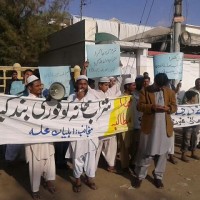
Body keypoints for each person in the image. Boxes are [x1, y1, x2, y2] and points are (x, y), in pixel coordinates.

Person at [133, 73, 177, 189]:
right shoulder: (145, 91)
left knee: (163, 154)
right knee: (147, 153)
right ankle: (140, 176)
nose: (161, 88)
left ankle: (158, 176)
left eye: (163, 86)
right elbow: (140, 106)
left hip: (165, 128)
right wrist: (152, 107)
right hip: (150, 128)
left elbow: (174, 107)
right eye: (159, 85)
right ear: (155, 82)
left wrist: (169, 109)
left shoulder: (170, 92)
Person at [82, 61, 122, 173]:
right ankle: (91, 170)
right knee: (96, 149)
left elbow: (118, 82)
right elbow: (84, 83)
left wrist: (118, 67)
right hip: (98, 127)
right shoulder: (94, 93)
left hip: (110, 125)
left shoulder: (111, 92)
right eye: (105, 84)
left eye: (108, 84)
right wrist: (84, 69)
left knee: (111, 147)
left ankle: (111, 165)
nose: (108, 86)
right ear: (100, 85)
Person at [65, 75, 98, 193]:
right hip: (77, 134)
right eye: (80, 84)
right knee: (77, 158)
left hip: (90, 133)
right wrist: (78, 100)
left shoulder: (93, 97)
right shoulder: (71, 97)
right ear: (76, 85)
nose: (82, 86)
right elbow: (68, 113)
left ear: (87, 85)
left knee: (90, 158)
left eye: (85, 84)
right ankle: (78, 180)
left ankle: (90, 179)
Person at [25, 75, 56, 199]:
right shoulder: (25, 102)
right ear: (29, 88)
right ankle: (35, 189)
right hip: (35, 138)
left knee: (49, 160)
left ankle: (49, 181)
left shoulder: (43, 99)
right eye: (37, 86)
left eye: (40, 85)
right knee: (35, 163)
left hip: (46, 136)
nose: (40, 88)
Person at [118, 78, 136, 171]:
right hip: (123, 126)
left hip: (133, 125)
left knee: (133, 146)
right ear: (127, 86)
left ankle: (132, 163)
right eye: (133, 85)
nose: (134, 87)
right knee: (124, 147)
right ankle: (125, 166)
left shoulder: (134, 97)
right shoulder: (121, 98)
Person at [181, 90, 200, 162]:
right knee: (186, 138)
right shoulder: (185, 105)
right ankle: (184, 154)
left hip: (195, 124)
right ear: (191, 97)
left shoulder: (196, 105)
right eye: (194, 97)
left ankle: (193, 152)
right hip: (187, 125)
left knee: (194, 138)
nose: (195, 98)